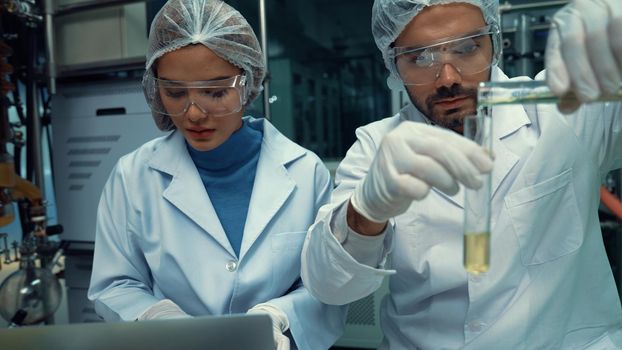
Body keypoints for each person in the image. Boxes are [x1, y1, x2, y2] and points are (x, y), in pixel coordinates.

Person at [301, 0, 622, 349]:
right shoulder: (374, 147)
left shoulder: (563, 108)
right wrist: (365, 210)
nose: (448, 78)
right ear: (392, 64)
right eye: (420, 58)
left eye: (468, 48)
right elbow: (331, 287)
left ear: (495, 44)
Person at [87, 0, 346, 349]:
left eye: (215, 92)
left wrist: (280, 316)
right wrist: (156, 317)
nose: (193, 113)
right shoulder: (132, 177)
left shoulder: (305, 171)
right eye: (175, 93)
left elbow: (326, 285)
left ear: (248, 82)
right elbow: (114, 284)